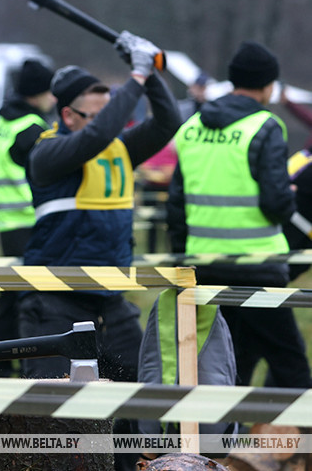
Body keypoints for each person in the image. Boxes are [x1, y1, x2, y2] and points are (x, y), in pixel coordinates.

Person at [18, 31, 181, 384]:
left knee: (140, 395)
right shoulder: (47, 154)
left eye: (109, 115)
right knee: (50, 409)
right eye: (96, 116)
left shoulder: (119, 148)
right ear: (68, 115)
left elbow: (169, 122)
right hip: (55, 300)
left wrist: (149, 74)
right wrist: (135, 77)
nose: (107, 125)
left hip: (110, 300)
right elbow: (94, 138)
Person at [167, 40, 312, 389]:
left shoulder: (191, 126)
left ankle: (215, 439)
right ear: (269, 85)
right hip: (258, 263)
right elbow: (276, 203)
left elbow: (176, 203)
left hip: (202, 261)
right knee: (289, 360)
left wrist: (182, 256)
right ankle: (303, 437)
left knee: (225, 355)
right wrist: (288, 199)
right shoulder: (265, 126)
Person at [0, 59, 54, 377]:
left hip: (7, 220)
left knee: (11, 293)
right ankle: (19, 363)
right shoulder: (33, 127)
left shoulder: (1, 121)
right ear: (38, 93)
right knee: (27, 296)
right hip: (31, 219)